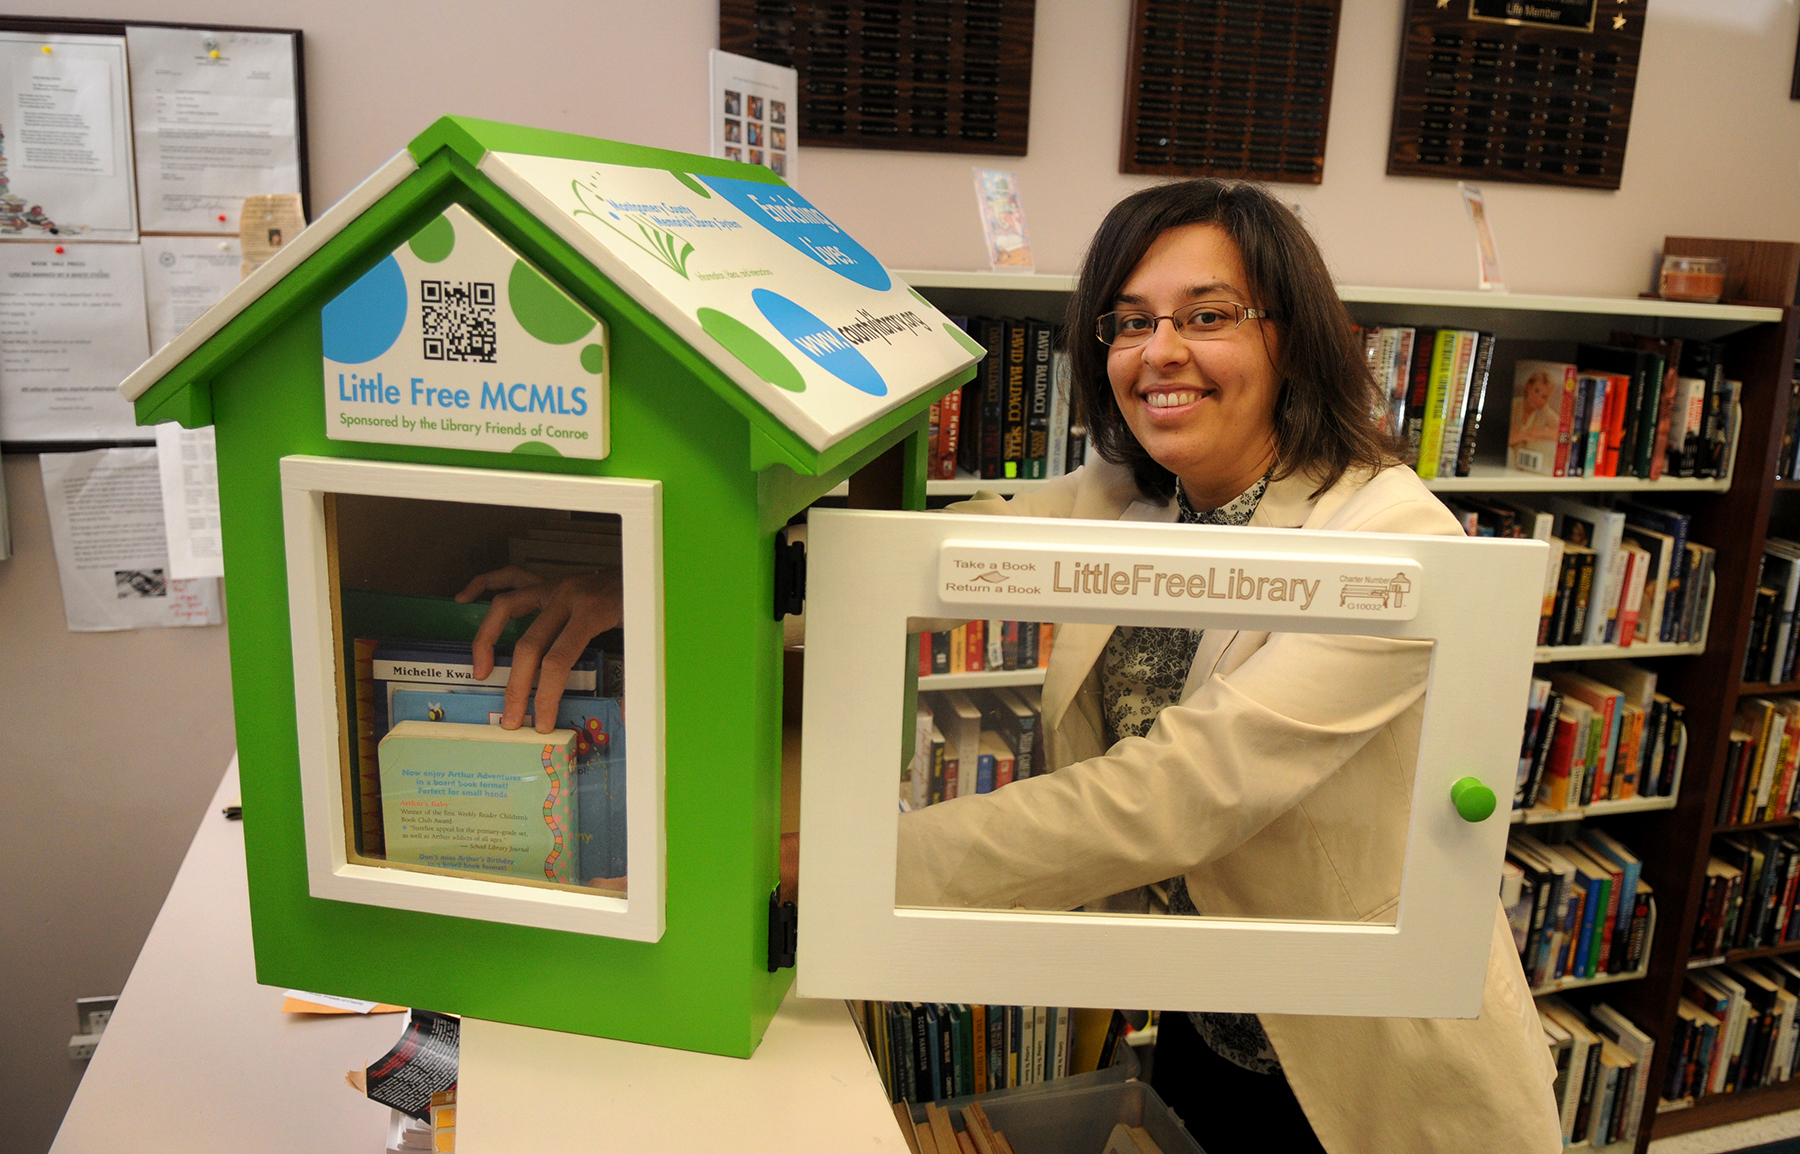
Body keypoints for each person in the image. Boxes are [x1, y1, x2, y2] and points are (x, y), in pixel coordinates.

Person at [457, 179, 1561, 1154]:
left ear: (1293, 333)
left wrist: (823, 864)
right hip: (1202, 1017)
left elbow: (1174, 798)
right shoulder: (1127, 493)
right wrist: (666, 593)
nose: (1157, 350)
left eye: (1206, 315)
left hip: (1368, 1062)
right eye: (1127, 322)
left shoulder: (1390, 540)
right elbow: (929, 561)